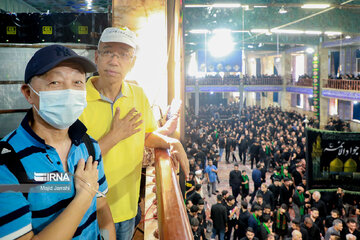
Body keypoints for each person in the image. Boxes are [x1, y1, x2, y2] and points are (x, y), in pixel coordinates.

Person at [79, 26, 189, 239]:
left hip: (127, 209)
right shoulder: (78, 98)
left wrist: (171, 143)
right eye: (108, 52)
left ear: (132, 62)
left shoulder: (138, 94)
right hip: (87, 211)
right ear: (97, 57)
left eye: (123, 55)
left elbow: (147, 135)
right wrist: (114, 136)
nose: (114, 60)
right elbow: (72, 161)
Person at [0, 45, 115, 239]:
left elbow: (102, 209)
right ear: (28, 93)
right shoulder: (7, 162)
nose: (69, 92)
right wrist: (84, 196)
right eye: (55, 82)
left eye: (78, 82)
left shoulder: (89, 146)